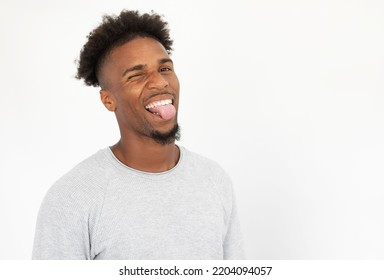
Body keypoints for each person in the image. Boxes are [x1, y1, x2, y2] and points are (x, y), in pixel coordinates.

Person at [32, 10, 244, 260]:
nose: (160, 82)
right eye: (137, 75)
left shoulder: (214, 180)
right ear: (108, 100)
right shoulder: (73, 198)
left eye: (164, 68)